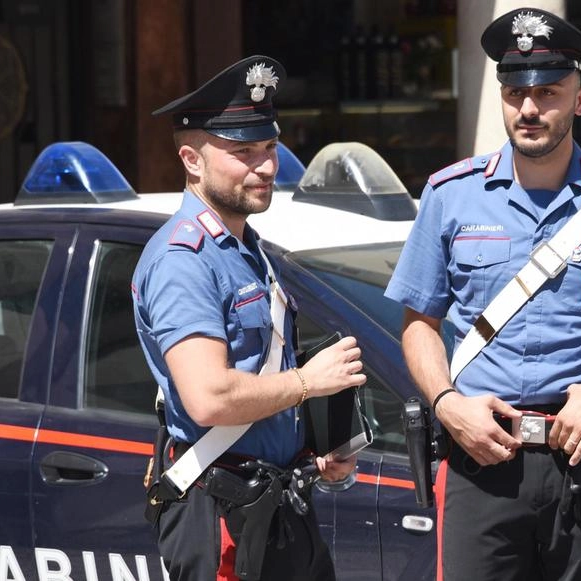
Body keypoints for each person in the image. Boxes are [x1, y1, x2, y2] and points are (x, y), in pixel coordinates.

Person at [384, 8, 581, 581]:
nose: (529, 108)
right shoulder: (449, 195)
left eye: (548, 93)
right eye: (515, 93)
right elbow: (419, 325)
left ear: (580, 100)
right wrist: (447, 405)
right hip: (480, 458)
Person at [132, 55, 366, 581]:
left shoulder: (245, 247)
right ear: (192, 161)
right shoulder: (183, 260)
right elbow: (209, 396)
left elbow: (258, 375)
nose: (264, 166)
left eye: (269, 147)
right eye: (242, 152)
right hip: (225, 517)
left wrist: (312, 450)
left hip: (275, 503)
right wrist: (308, 382)